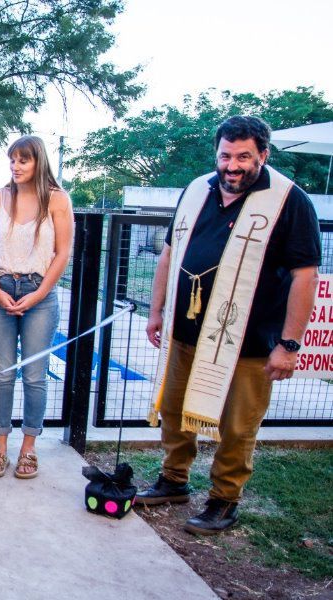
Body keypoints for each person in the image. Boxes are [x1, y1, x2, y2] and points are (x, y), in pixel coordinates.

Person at [137, 116, 321, 535]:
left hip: (250, 342)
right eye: (225, 155)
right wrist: (156, 310)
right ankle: (173, 480)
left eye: (244, 157)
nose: (232, 166)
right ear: (216, 154)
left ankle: (224, 499)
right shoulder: (196, 190)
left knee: (238, 425)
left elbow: (304, 276)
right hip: (186, 331)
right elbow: (170, 252)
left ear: (263, 155)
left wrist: (289, 345)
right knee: (173, 409)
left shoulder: (289, 201)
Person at [0, 135, 73, 479]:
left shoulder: (59, 201)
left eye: (23, 160)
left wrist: (38, 294)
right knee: (2, 375)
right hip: (0, 290)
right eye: (12, 160)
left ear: (38, 162)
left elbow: (62, 253)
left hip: (39, 293)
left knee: (35, 376)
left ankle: (29, 448)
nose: (16, 167)